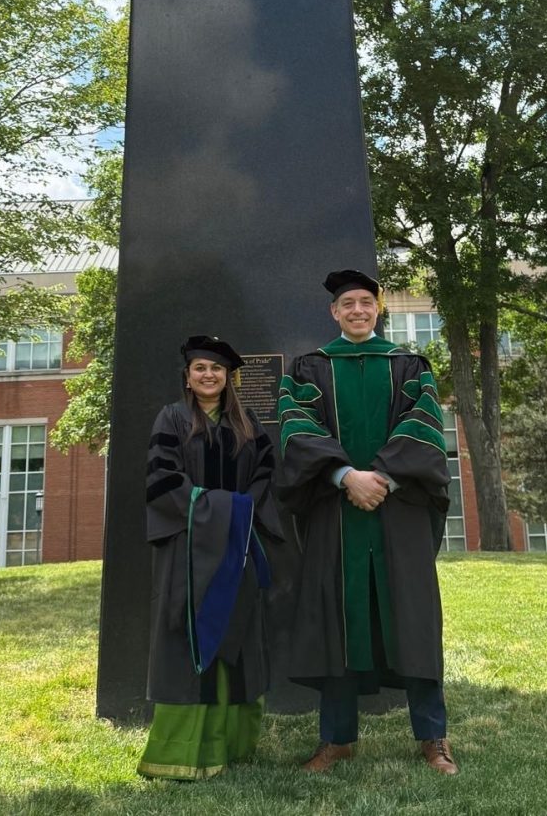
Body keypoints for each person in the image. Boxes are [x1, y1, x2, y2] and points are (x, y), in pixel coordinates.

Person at [277, 269, 457, 775]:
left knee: (414, 620)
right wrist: (343, 476)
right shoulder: (308, 368)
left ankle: (433, 736)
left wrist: (382, 479)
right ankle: (336, 740)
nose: (357, 310)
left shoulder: (411, 366)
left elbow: (423, 424)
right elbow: (296, 426)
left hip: (398, 513)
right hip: (336, 513)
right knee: (338, 618)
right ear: (334, 312)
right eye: (347, 304)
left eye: (365, 303)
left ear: (378, 310)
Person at [137, 334, 282, 781]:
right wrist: (217, 511)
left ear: (228, 377)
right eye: (201, 368)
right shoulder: (173, 418)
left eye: (216, 369)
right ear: (188, 375)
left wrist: (241, 516)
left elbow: (266, 475)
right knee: (189, 635)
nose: (208, 375)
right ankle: (183, 751)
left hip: (236, 547)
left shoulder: (247, 422)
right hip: (188, 549)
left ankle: (233, 746)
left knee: (235, 634)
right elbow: (161, 479)